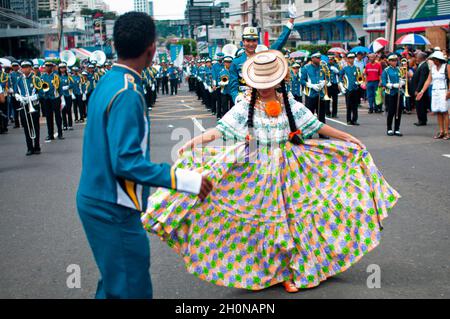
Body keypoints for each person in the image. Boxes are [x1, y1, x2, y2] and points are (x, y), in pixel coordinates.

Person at [141, 50, 400, 293]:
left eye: (269, 82)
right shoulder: (245, 105)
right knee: (264, 221)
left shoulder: (289, 102)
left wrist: (347, 137)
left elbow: (315, 124)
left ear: (279, 81)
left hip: (291, 168)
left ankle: (293, 271)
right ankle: (268, 269)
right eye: (260, 83)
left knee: (293, 219)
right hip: (257, 169)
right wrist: (194, 141)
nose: (264, 88)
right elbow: (220, 130)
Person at [76, 12, 212, 299]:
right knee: (131, 286)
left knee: (115, 283)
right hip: (112, 205)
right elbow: (126, 162)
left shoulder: (110, 80)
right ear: (151, 48)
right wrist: (185, 180)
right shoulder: (127, 92)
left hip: (99, 197)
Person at [229, 2, 297, 104]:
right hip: (244, 100)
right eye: (248, 40)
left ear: (257, 41)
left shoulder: (263, 57)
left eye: (254, 41)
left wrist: (291, 20)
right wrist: (237, 98)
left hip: (264, 99)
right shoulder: (236, 62)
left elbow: (279, 42)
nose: (251, 44)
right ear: (243, 42)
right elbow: (233, 86)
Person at [416, 50, 450, 139]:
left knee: (445, 111)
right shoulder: (433, 68)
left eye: (435, 59)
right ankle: (441, 131)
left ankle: (447, 132)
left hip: (444, 91)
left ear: (439, 59)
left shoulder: (446, 67)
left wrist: (449, 91)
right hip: (435, 91)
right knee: (438, 111)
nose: (434, 61)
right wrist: (422, 91)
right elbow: (428, 80)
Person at [14, 60, 41, 155]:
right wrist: (19, 97)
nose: (25, 69)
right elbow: (16, 91)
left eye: (27, 67)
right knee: (27, 127)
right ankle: (29, 148)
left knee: (35, 126)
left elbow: (41, 92)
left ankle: (37, 146)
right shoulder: (19, 79)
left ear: (31, 68)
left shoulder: (36, 79)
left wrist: (33, 97)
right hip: (24, 105)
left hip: (34, 105)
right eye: (23, 67)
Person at [300, 52, 328, 138]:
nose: (319, 59)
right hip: (310, 94)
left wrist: (324, 82)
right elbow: (302, 81)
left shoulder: (323, 68)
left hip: (321, 94)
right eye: (317, 57)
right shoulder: (306, 68)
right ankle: (309, 133)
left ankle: (322, 133)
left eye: (319, 57)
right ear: (312, 58)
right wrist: (312, 85)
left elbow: (327, 78)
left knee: (321, 115)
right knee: (309, 115)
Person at [382, 54, 404, 137]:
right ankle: (389, 129)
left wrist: (402, 82)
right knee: (391, 112)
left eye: (395, 60)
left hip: (399, 93)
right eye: (392, 60)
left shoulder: (399, 69)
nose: (394, 62)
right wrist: (392, 85)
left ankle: (397, 129)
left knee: (398, 112)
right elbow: (384, 82)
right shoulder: (386, 70)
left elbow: (403, 78)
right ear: (389, 61)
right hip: (390, 93)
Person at [41, 60, 64, 141]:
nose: (48, 68)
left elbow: (60, 88)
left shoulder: (56, 76)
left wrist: (61, 98)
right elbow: (41, 88)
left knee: (58, 116)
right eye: (47, 66)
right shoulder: (43, 77)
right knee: (48, 117)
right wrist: (43, 94)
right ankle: (50, 134)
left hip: (55, 98)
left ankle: (60, 133)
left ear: (52, 67)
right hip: (47, 99)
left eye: (50, 66)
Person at [340, 53, 360, 125]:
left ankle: (354, 120)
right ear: (347, 59)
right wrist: (342, 86)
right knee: (348, 105)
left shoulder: (356, 68)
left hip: (355, 89)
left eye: (352, 58)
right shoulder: (345, 69)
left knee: (355, 105)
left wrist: (359, 82)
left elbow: (360, 77)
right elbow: (340, 78)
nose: (351, 60)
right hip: (348, 89)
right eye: (350, 58)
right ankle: (348, 120)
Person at [412, 51, 430, 126]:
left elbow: (422, 79)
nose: (416, 59)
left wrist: (418, 90)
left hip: (420, 89)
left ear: (420, 58)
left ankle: (422, 120)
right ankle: (421, 119)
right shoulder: (420, 65)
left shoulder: (424, 66)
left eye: (417, 57)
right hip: (417, 88)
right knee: (419, 105)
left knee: (421, 105)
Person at [58, 62, 74, 131]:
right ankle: (64, 125)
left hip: (68, 95)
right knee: (63, 110)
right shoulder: (57, 77)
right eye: (61, 68)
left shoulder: (68, 76)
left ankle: (70, 124)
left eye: (64, 67)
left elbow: (72, 84)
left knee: (68, 109)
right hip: (61, 96)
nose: (62, 69)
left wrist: (67, 87)